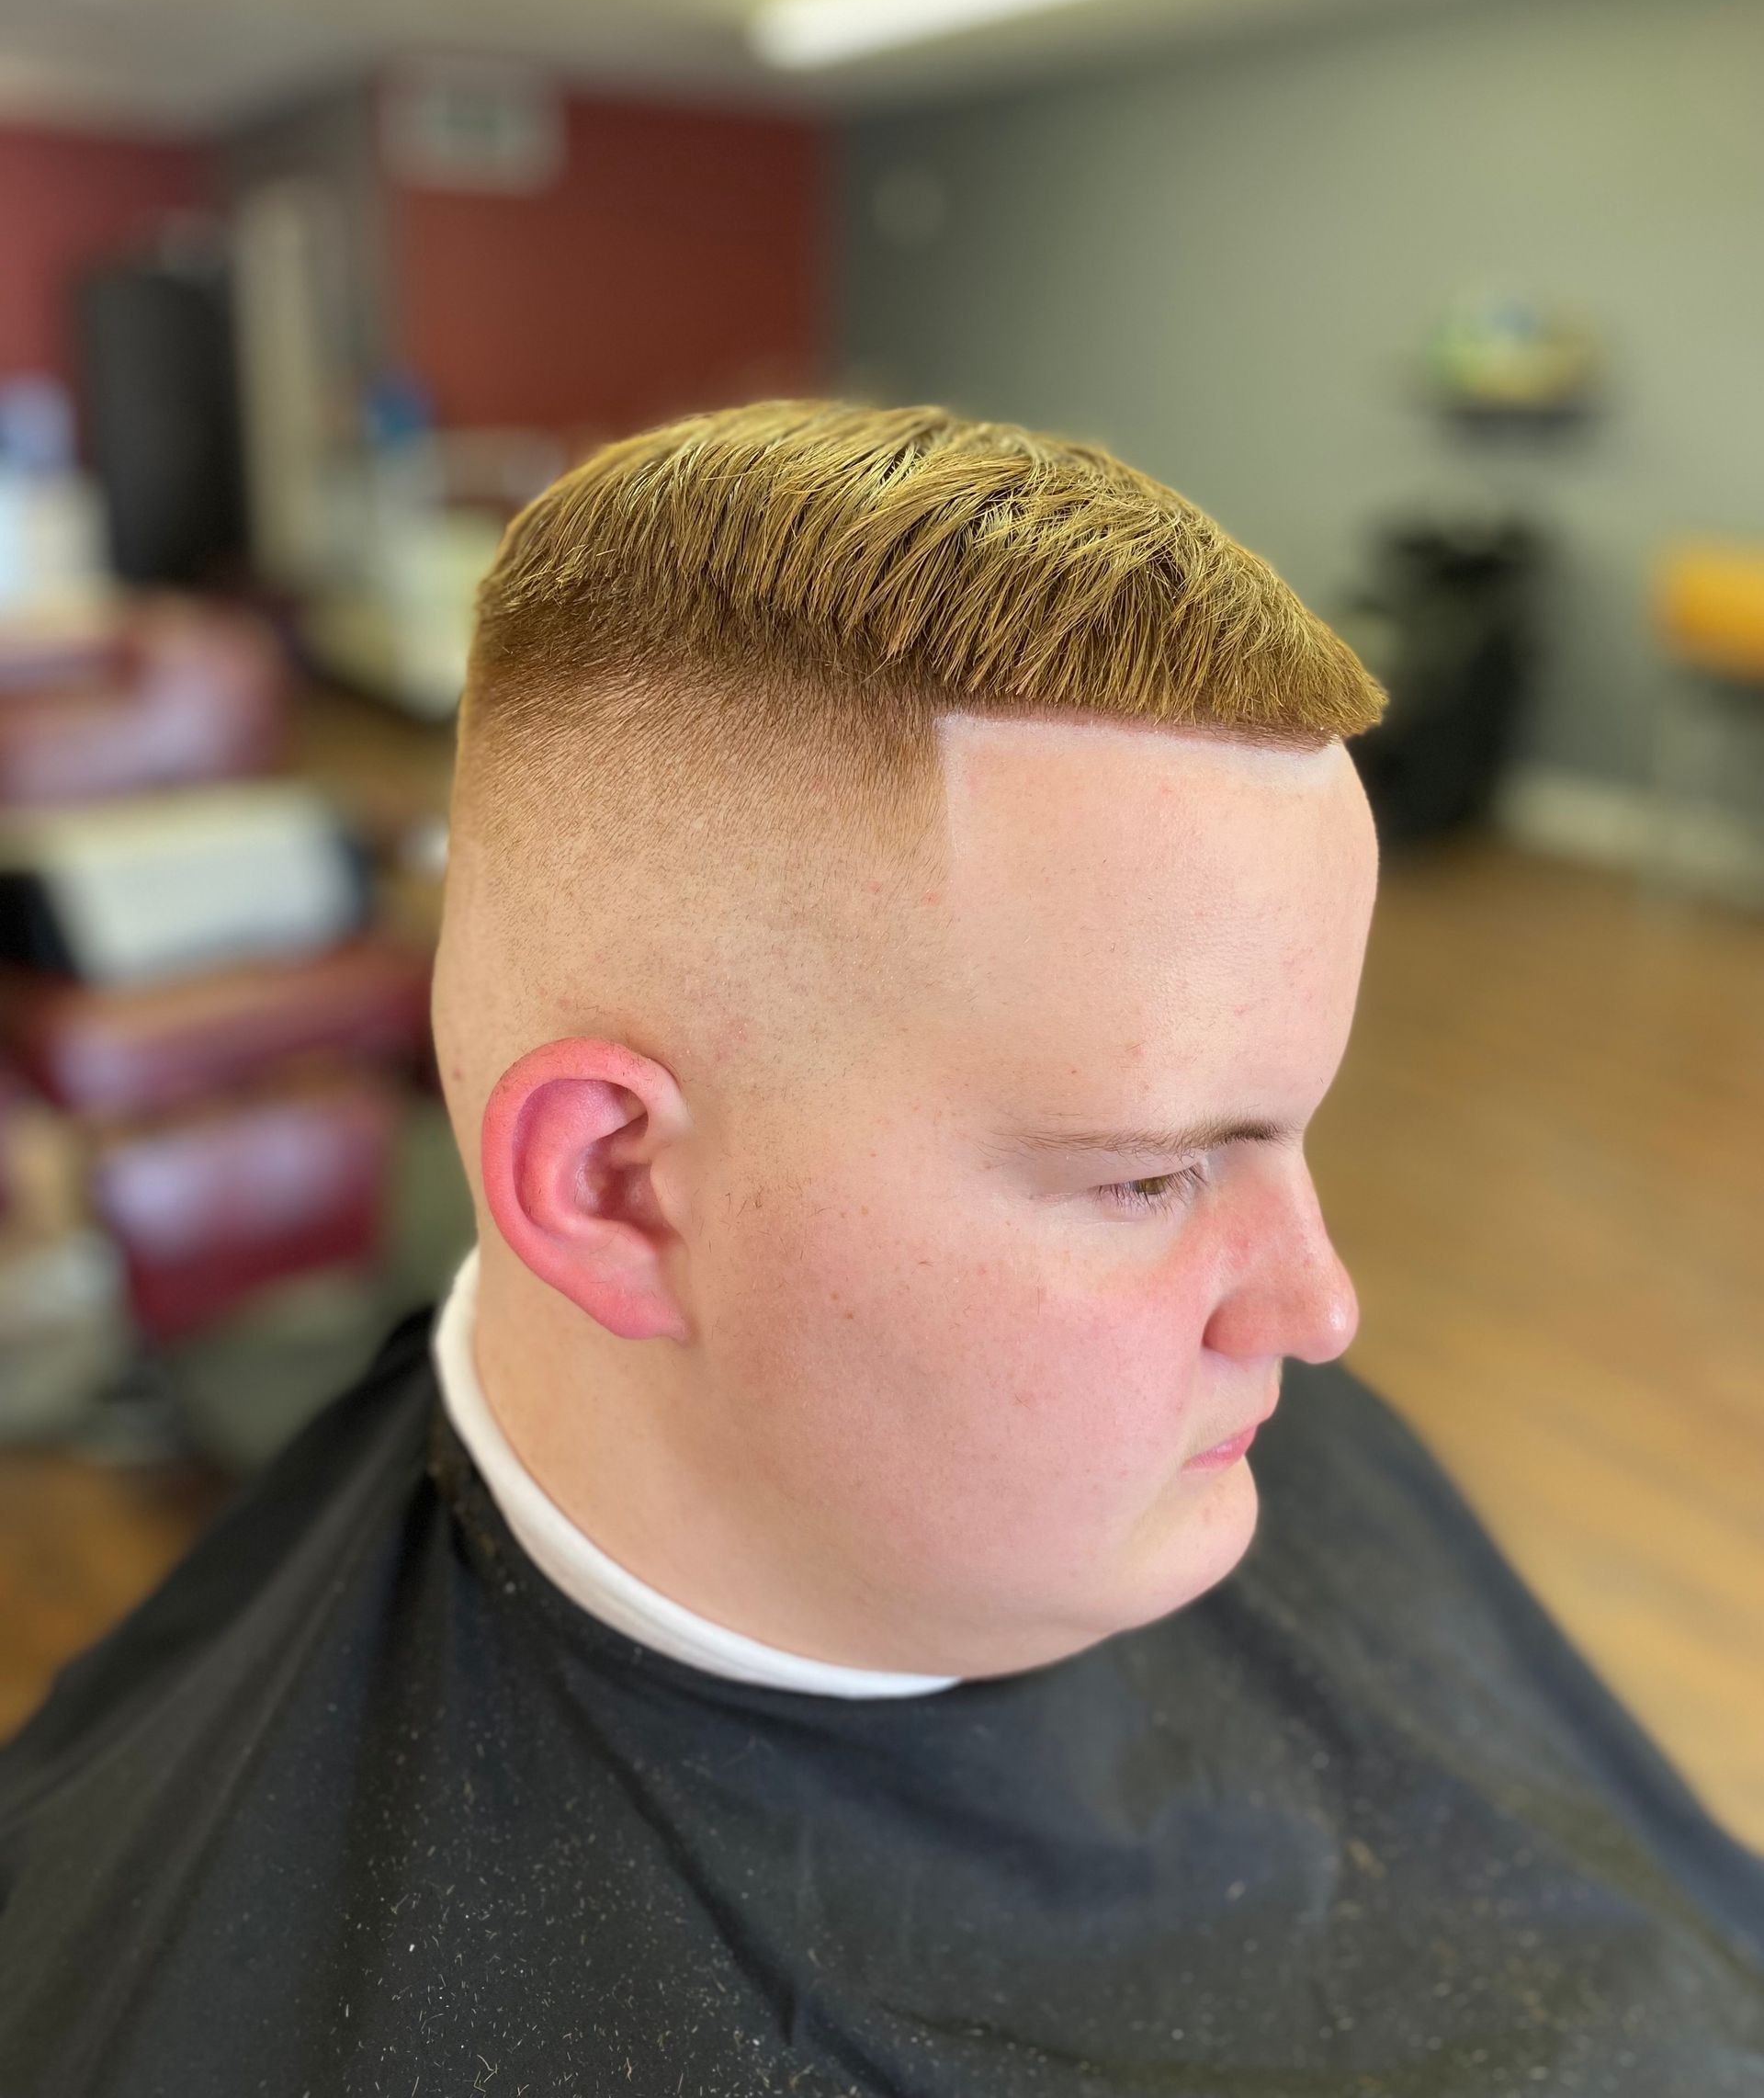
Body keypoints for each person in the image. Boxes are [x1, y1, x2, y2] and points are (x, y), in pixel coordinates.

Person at [0, 401, 1758, 2096]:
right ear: (615, 1189)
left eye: (1293, 1131)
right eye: (1148, 1180)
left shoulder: (1200, 1441)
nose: (1319, 1310)